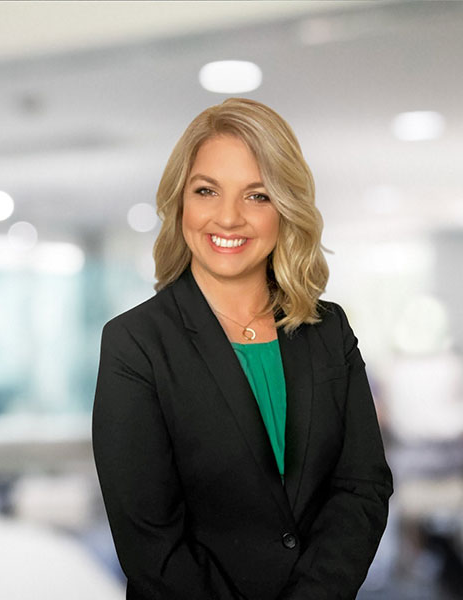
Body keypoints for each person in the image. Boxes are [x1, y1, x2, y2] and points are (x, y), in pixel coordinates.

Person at [92, 97, 393, 600]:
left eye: (257, 195)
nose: (228, 217)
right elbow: (151, 544)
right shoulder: (136, 343)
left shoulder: (329, 329)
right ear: (180, 202)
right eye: (206, 190)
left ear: (286, 208)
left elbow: (362, 487)